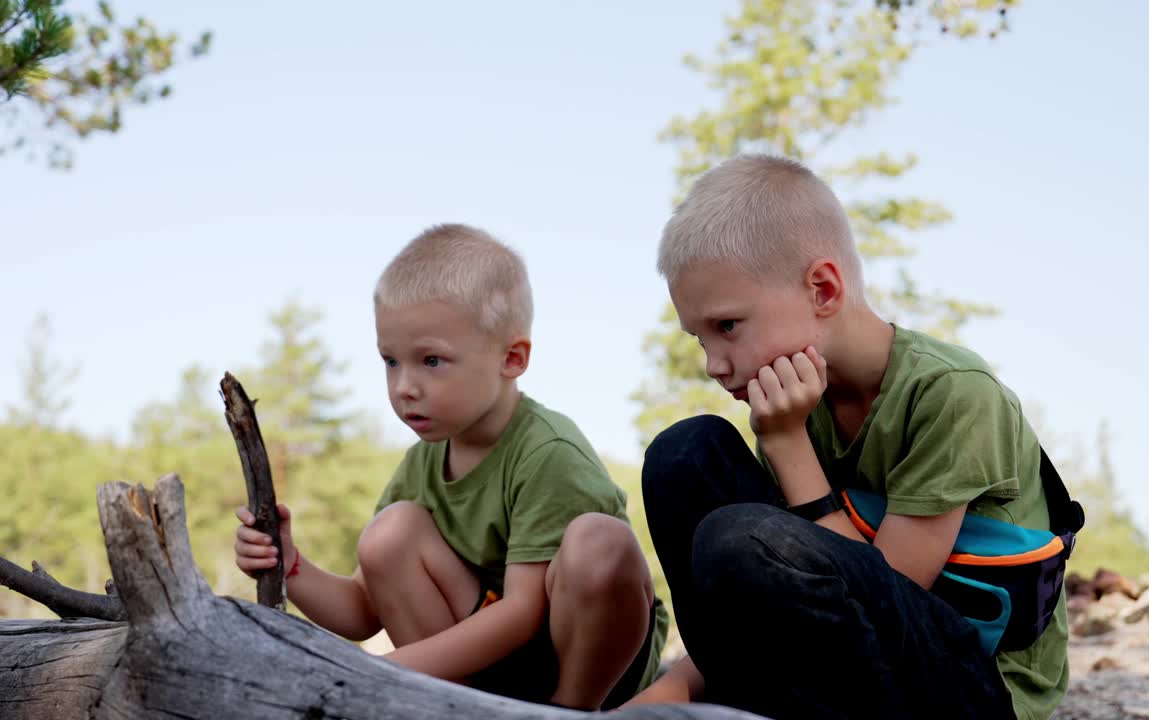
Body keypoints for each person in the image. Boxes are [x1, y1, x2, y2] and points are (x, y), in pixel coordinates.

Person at [625, 155, 1069, 720]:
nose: (713, 364)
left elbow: (890, 592)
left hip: (970, 683)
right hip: (848, 670)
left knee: (742, 536)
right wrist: (665, 694)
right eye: (699, 337)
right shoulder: (799, 400)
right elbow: (779, 589)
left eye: (728, 326)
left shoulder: (952, 393)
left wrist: (787, 444)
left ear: (824, 289)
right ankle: (742, 702)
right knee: (685, 454)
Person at [234, 223, 667, 710]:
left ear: (512, 358)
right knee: (388, 535)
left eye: (431, 361)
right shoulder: (421, 466)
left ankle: (570, 714)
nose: (404, 387)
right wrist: (290, 564)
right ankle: (460, 706)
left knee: (599, 541)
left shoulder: (548, 452)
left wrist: (382, 673)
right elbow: (362, 610)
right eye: (391, 361)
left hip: (587, 668)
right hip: (495, 674)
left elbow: (523, 613)